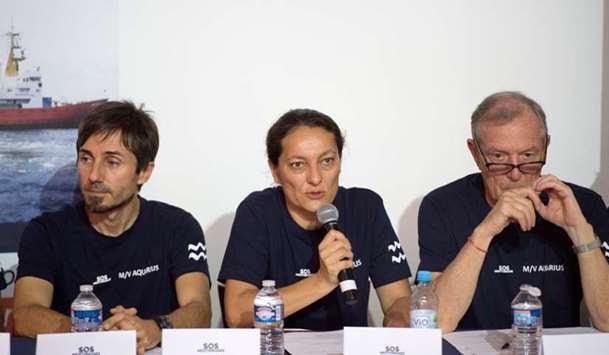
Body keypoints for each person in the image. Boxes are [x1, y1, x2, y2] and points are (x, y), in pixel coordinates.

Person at [13, 101, 211, 354]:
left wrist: (153, 329)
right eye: (86, 158)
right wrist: (91, 334)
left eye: (112, 162)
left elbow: (199, 309)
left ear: (144, 172)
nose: (94, 175)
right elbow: (24, 314)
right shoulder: (45, 232)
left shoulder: (178, 227)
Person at [418, 91, 609, 332]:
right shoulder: (442, 206)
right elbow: (437, 323)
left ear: (546, 145)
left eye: (528, 155)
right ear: (475, 153)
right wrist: (484, 232)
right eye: (499, 157)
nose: (515, 173)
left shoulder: (582, 205)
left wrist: (580, 232)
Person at [218, 109, 412, 330]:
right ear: (275, 170)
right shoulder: (258, 212)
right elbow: (237, 314)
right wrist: (322, 281)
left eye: (327, 161)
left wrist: (399, 322)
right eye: (298, 165)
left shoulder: (365, 208)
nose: (316, 178)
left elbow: (398, 299)